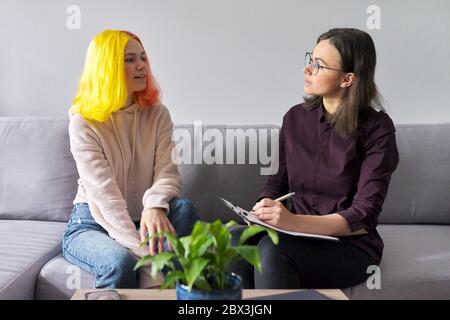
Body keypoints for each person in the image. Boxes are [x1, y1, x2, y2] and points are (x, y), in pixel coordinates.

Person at [230, 28, 399, 289]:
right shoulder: (294, 118)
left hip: (349, 246)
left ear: (347, 79)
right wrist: (263, 205)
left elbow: (363, 216)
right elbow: (279, 181)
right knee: (233, 242)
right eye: (311, 60)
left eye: (319, 65)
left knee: (273, 252)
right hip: (295, 234)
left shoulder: (378, 129)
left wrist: (293, 221)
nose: (307, 70)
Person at [62, 30, 199, 289]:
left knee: (185, 209)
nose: (141, 66)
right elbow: (106, 198)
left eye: (143, 58)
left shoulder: (158, 114)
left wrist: (154, 206)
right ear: (107, 67)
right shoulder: (83, 122)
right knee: (119, 262)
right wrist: (146, 257)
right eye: (129, 59)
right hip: (93, 221)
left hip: (144, 217)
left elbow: (167, 174)